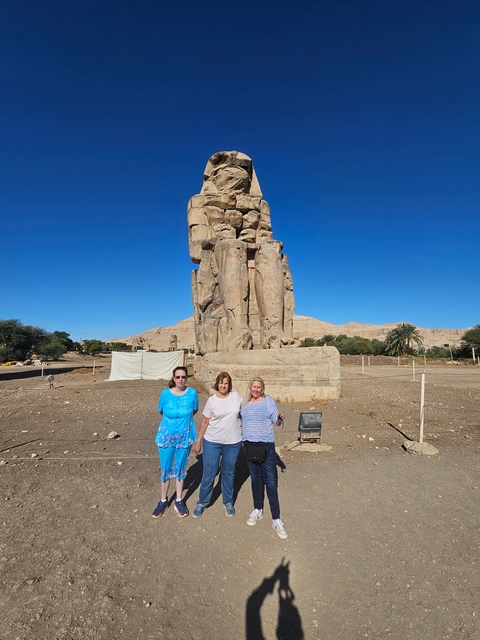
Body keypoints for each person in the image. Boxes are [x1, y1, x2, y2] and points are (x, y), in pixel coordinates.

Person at [191, 371, 243, 518]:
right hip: (212, 441)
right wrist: (198, 441)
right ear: (217, 384)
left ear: (229, 384)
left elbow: (249, 408)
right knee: (209, 471)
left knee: (228, 471)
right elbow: (205, 421)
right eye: (221, 383)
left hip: (232, 441)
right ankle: (202, 502)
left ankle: (228, 501)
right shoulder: (212, 400)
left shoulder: (236, 397)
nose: (223, 386)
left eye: (226, 383)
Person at [241, 377, 287, 539]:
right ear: (250, 388)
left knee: (271, 482)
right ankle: (258, 509)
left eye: (259, 387)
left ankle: (276, 518)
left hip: (266, 447)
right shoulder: (244, 402)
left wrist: (280, 419)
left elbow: (276, 420)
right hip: (249, 447)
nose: (256, 389)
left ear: (262, 388)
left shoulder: (267, 401)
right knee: (255, 479)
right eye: (254, 386)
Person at [152, 366, 198, 519]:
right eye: (177, 377)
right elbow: (161, 411)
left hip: (184, 437)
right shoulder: (165, 394)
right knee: (165, 469)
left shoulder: (192, 393)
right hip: (166, 437)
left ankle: (178, 500)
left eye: (183, 377)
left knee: (181, 469)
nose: (180, 379)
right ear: (173, 378)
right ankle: (163, 500)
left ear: (186, 378)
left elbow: (194, 410)